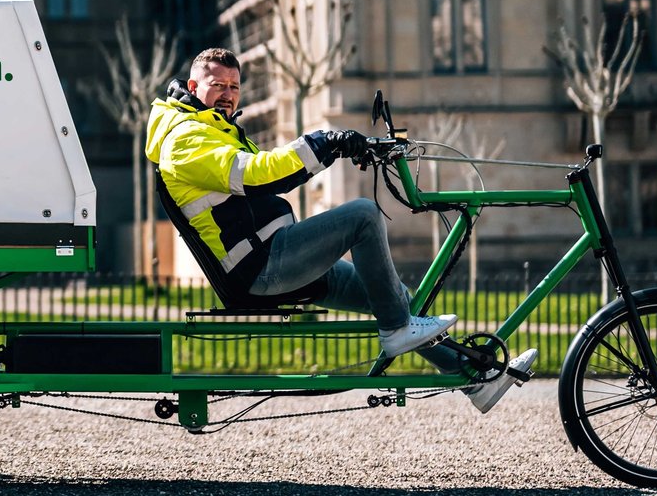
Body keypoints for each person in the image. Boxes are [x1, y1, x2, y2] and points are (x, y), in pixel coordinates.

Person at [144, 47, 531, 413]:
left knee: (394, 296)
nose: (228, 95)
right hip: (260, 268)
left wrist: (346, 146)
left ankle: (473, 381)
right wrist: (326, 141)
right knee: (362, 215)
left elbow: (262, 169)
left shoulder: (213, 128)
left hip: (277, 255)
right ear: (194, 88)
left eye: (234, 86)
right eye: (218, 86)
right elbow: (256, 174)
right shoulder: (185, 138)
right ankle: (398, 330)